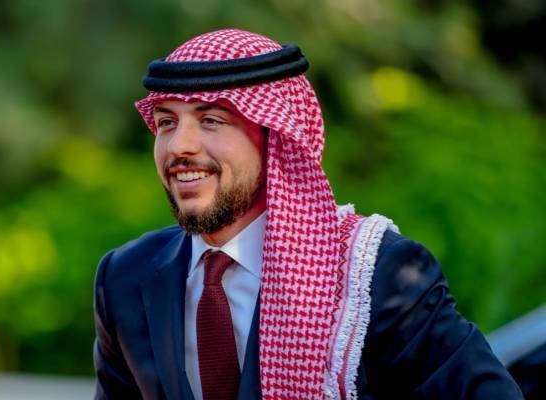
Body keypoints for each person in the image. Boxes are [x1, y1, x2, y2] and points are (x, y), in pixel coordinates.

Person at [93, 29, 523, 399]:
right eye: (167, 122)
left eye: (211, 121)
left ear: (274, 136)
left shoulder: (375, 274)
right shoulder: (125, 277)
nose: (178, 146)